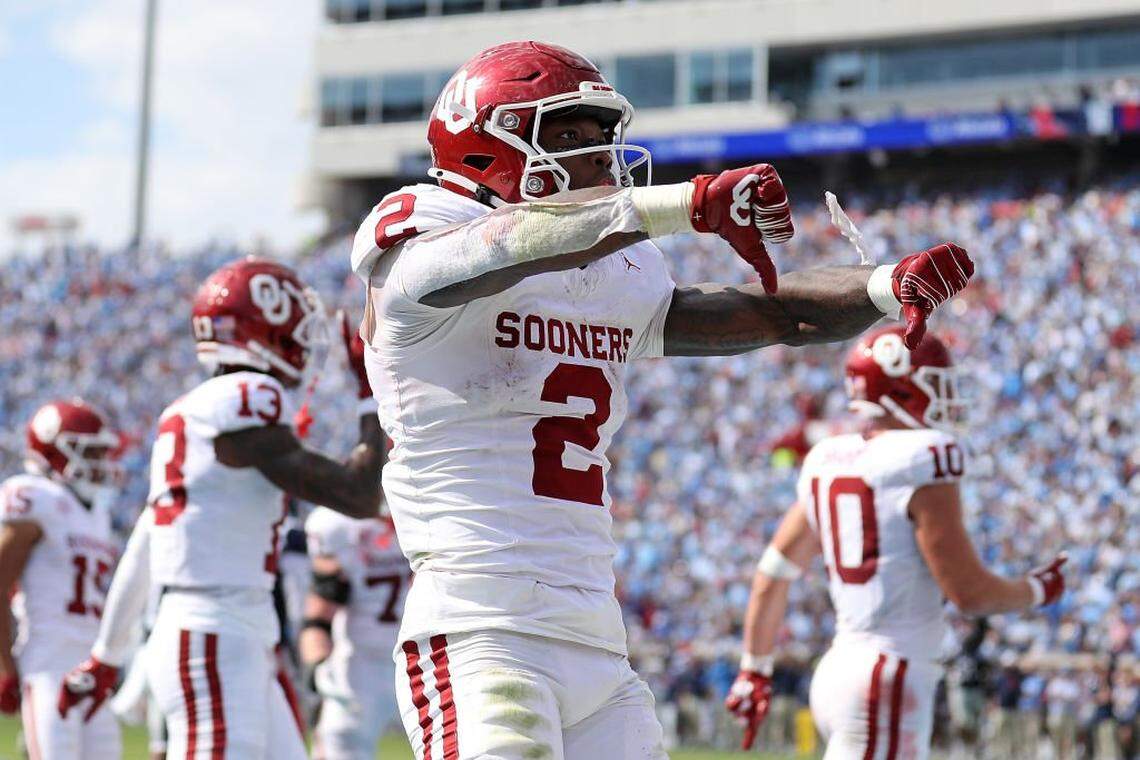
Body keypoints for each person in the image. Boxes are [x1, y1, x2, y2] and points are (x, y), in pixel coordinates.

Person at [351, 40, 975, 760]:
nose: (596, 156)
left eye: (599, 136)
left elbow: (771, 314)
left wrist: (881, 286)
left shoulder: (615, 265)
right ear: (486, 149)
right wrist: (684, 204)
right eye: (567, 135)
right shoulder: (422, 233)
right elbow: (500, 249)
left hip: (594, 636)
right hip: (480, 630)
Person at [57, 258, 387, 760]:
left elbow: (146, 543)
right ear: (265, 325)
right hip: (214, 627)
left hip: (230, 626)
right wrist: (370, 396)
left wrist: (107, 655)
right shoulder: (247, 396)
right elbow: (359, 495)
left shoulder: (191, 414)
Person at [724, 326, 1067, 759]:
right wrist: (1039, 588)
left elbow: (772, 574)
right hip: (887, 675)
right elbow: (969, 593)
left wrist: (754, 669)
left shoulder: (828, 460)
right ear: (901, 389)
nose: (945, 396)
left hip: (838, 669)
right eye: (934, 382)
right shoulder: (922, 455)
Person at [0, 400, 123, 759]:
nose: (101, 461)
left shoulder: (97, 513)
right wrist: (5, 666)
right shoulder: (35, 497)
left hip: (90, 672)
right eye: (91, 451)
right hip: (48, 666)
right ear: (54, 451)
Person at [301, 507, 411, 760]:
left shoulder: (335, 523)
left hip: (369, 667)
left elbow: (319, 615)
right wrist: (316, 669)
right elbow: (321, 611)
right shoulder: (337, 525)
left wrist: (314, 671)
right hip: (406, 659)